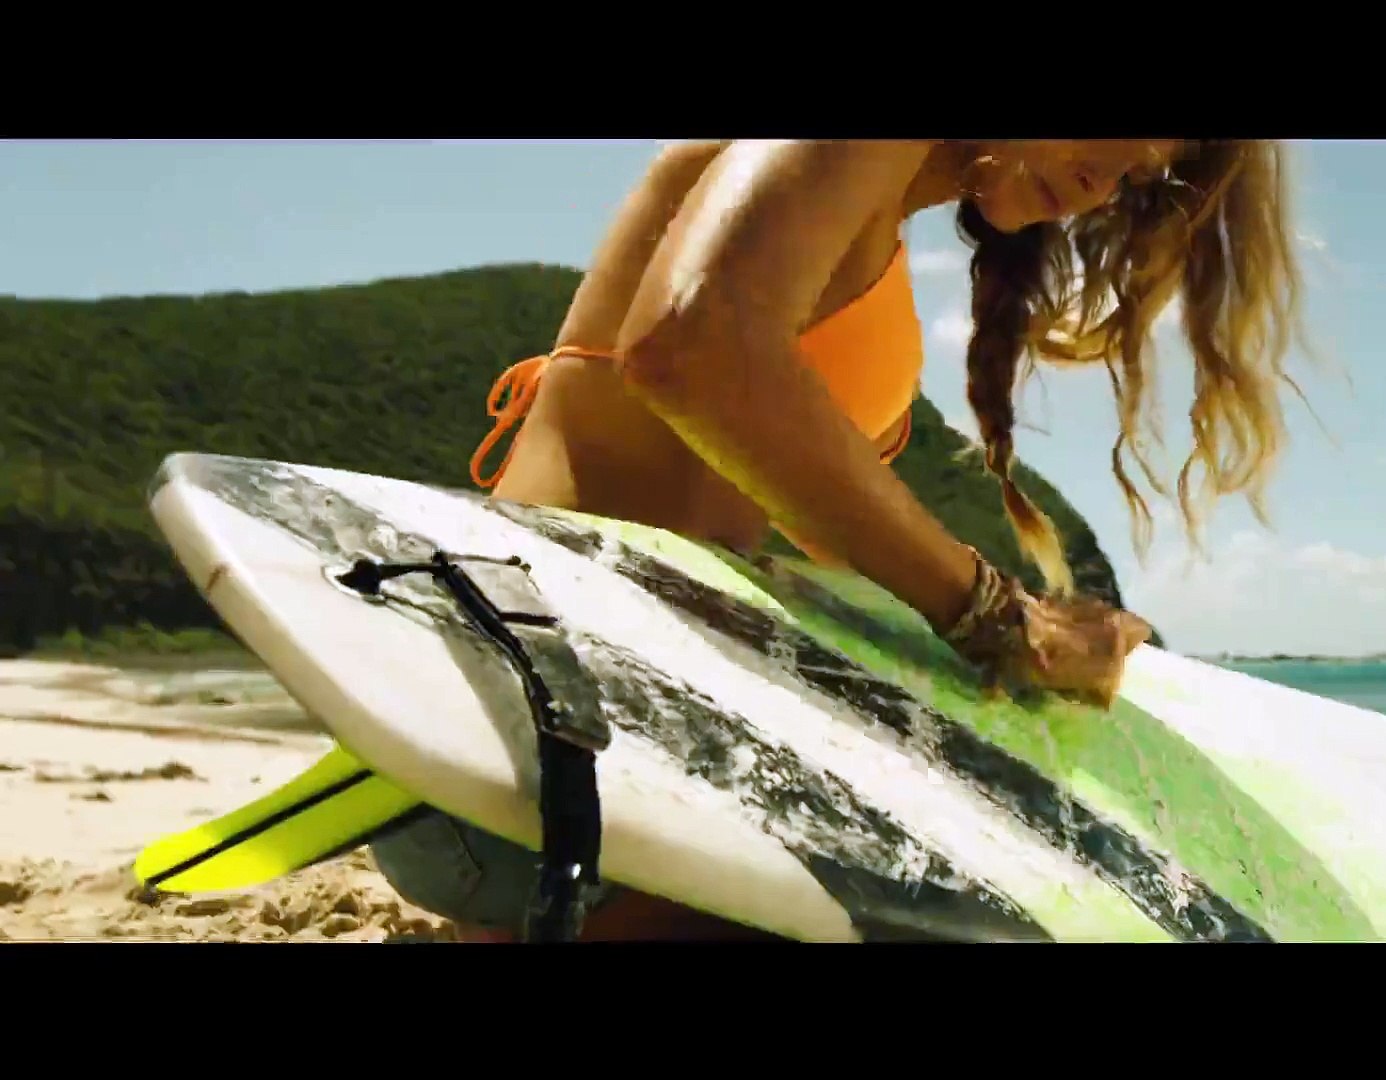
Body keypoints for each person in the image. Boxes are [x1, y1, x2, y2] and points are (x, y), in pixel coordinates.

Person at [369, 139, 1315, 941]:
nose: (1107, 183)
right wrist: (998, 617)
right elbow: (691, 342)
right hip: (526, 748)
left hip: (600, 757)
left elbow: (812, 518)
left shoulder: (866, 236)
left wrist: (1034, 634)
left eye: (1140, 174)